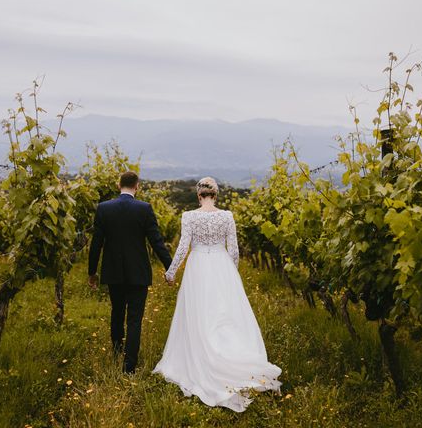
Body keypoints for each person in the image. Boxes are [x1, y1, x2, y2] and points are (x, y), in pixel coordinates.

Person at [153, 177, 281, 412]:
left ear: (198, 195)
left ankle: (205, 355)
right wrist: (231, 273)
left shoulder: (189, 216)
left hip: (198, 265)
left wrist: (171, 273)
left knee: (200, 311)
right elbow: (233, 249)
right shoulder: (227, 216)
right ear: (215, 195)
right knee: (225, 311)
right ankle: (231, 352)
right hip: (222, 265)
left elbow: (183, 246)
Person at [88, 171, 172, 373]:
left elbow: (96, 244)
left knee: (117, 312)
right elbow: (157, 242)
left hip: (113, 271)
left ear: (119, 185)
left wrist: (92, 272)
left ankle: (117, 352)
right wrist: (171, 266)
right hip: (138, 273)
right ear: (137, 186)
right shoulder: (144, 209)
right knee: (134, 318)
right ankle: (129, 366)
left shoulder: (104, 208)